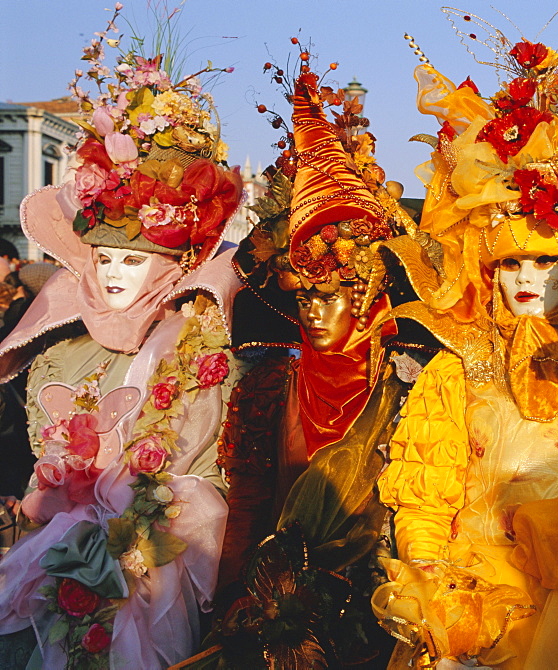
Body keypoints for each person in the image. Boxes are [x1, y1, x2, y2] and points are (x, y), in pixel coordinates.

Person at [372, 5, 558, 668]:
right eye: (510, 261)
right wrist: (437, 608)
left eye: (545, 262)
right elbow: (425, 497)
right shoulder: (458, 365)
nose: (525, 279)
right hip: (473, 611)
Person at [0, 17, 243, 668]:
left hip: (145, 568)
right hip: (58, 561)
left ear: (169, 267)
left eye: (131, 262)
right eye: (103, 257)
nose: (111, 274)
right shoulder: (59, 350)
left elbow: (193, 473)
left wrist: (130, 523)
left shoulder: (194, 349)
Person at [198, 60, 427, 669]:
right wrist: (233, 603)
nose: (317, 312)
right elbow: (248, 506)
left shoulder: (409, 386)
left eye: (333, 297)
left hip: (384, 616)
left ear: (367, 294)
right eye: (306, 297)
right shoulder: (269, 387)